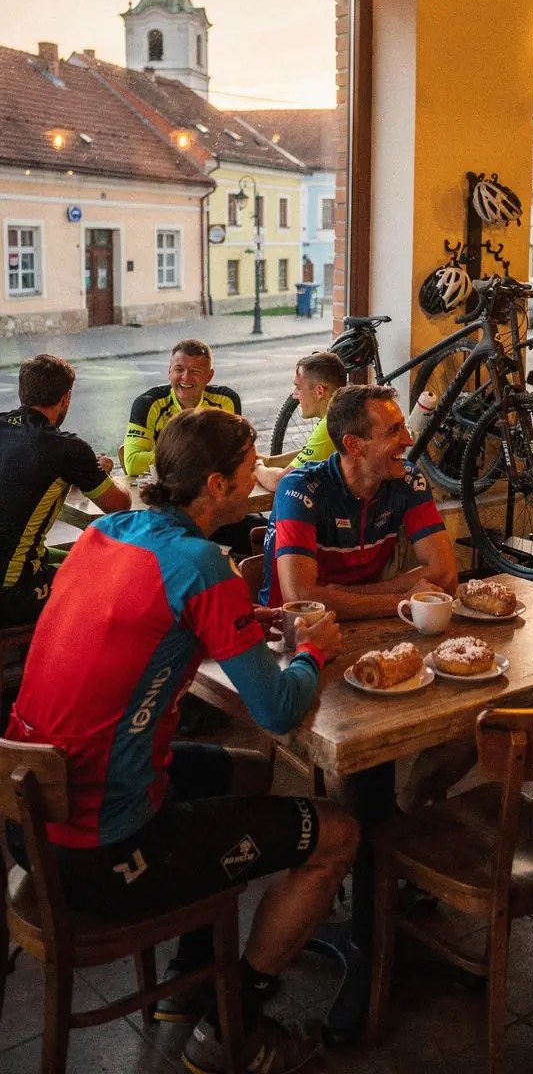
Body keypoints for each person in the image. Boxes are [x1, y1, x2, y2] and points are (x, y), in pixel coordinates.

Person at [5, 408, 358, 1074]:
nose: (260, 481)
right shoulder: (201, 564)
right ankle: (235, 1022)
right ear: (218, 485)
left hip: (29, 822)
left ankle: (192, 981)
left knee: (248, 775)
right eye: (252, 471)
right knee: (337, 833)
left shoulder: (106, 533)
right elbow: (280, 710)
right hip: (102, 852)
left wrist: (245, 615)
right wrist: (312, 649)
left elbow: (145, 615)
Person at [259, 383, 458, 614]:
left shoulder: (408, 479)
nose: (408, 440)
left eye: (403, 427)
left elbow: (445, 575)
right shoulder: (299, 488)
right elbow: (301, 600)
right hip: (290, 636)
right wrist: (401, 601)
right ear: (353, 445)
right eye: (394, 431)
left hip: (367, 623)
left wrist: (339, 595)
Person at [0, 354, 130, 628]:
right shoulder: (66, 448)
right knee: (117, 576)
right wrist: (99, 470)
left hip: (25, 564)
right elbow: (119, 505)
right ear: (65, 398)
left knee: (80, 555)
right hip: (11, 593)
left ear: (21, 392)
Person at [124, 338, 262, 556]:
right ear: (169, 371)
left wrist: (177, 459)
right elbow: (132, 463)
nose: (185, 378)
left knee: (261, 530)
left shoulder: (225, 400)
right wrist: (196, 458)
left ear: (209, 376)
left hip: (213, 505)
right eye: (179, 369)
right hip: (164, 511)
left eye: (195, 371)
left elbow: (236, 456)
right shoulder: (148, 403)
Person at [254, 350, 347, 495]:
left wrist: (257, 467)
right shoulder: (345, 413)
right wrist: (269, 461)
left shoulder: (329, 426)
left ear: (319, 391)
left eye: (298, 387)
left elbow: (280, 481)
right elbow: (310, 452)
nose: (295, 395)